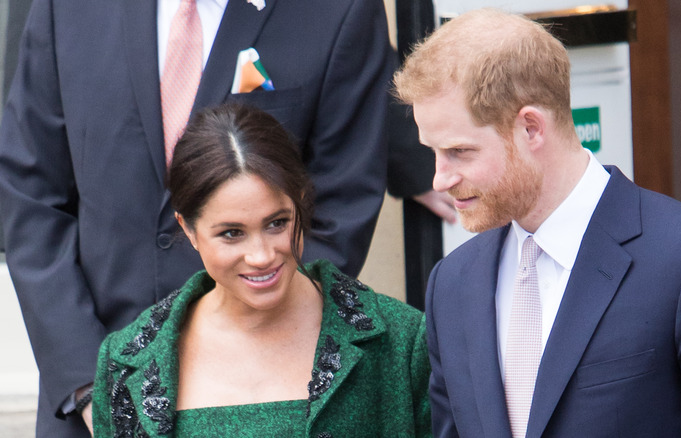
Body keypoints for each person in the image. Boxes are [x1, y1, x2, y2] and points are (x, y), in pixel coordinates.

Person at [0, 0, 391, 436]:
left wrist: (249, 372)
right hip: (89, 402)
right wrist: (89, 386)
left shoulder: (340, 10)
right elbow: (29, 195)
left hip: (260, 403)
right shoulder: (66, 8)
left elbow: (342, 201)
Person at [394, 8, 681, 437]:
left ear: (531, 128)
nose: (439, 179)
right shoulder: (451, 283)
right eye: (433, 152)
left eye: (460, 152)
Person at [87, 103, 431, 437]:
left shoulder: (401, 341)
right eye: (231, 233)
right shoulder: (124, 360)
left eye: (277, 223)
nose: (262, 256)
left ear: (300, 203)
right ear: (189, 229)